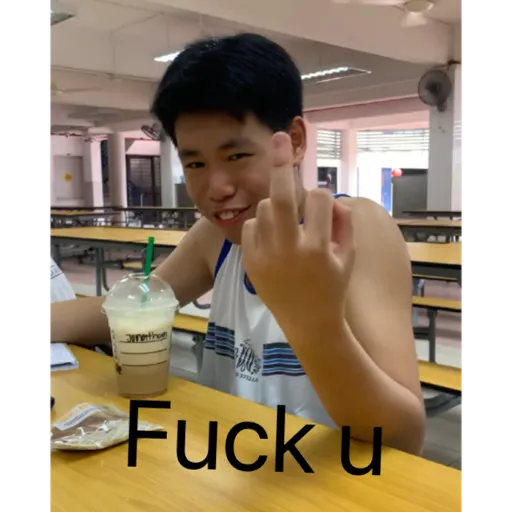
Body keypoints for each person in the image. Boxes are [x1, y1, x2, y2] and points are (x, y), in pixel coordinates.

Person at [49, 33, 425, 455]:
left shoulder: (354, 229)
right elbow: (133, 309)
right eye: (195, 163)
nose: (216, 188)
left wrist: (314, 322)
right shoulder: (217, 236)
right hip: (230, 472)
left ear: (295, 141)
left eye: (236, 156)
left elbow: (404, 436)